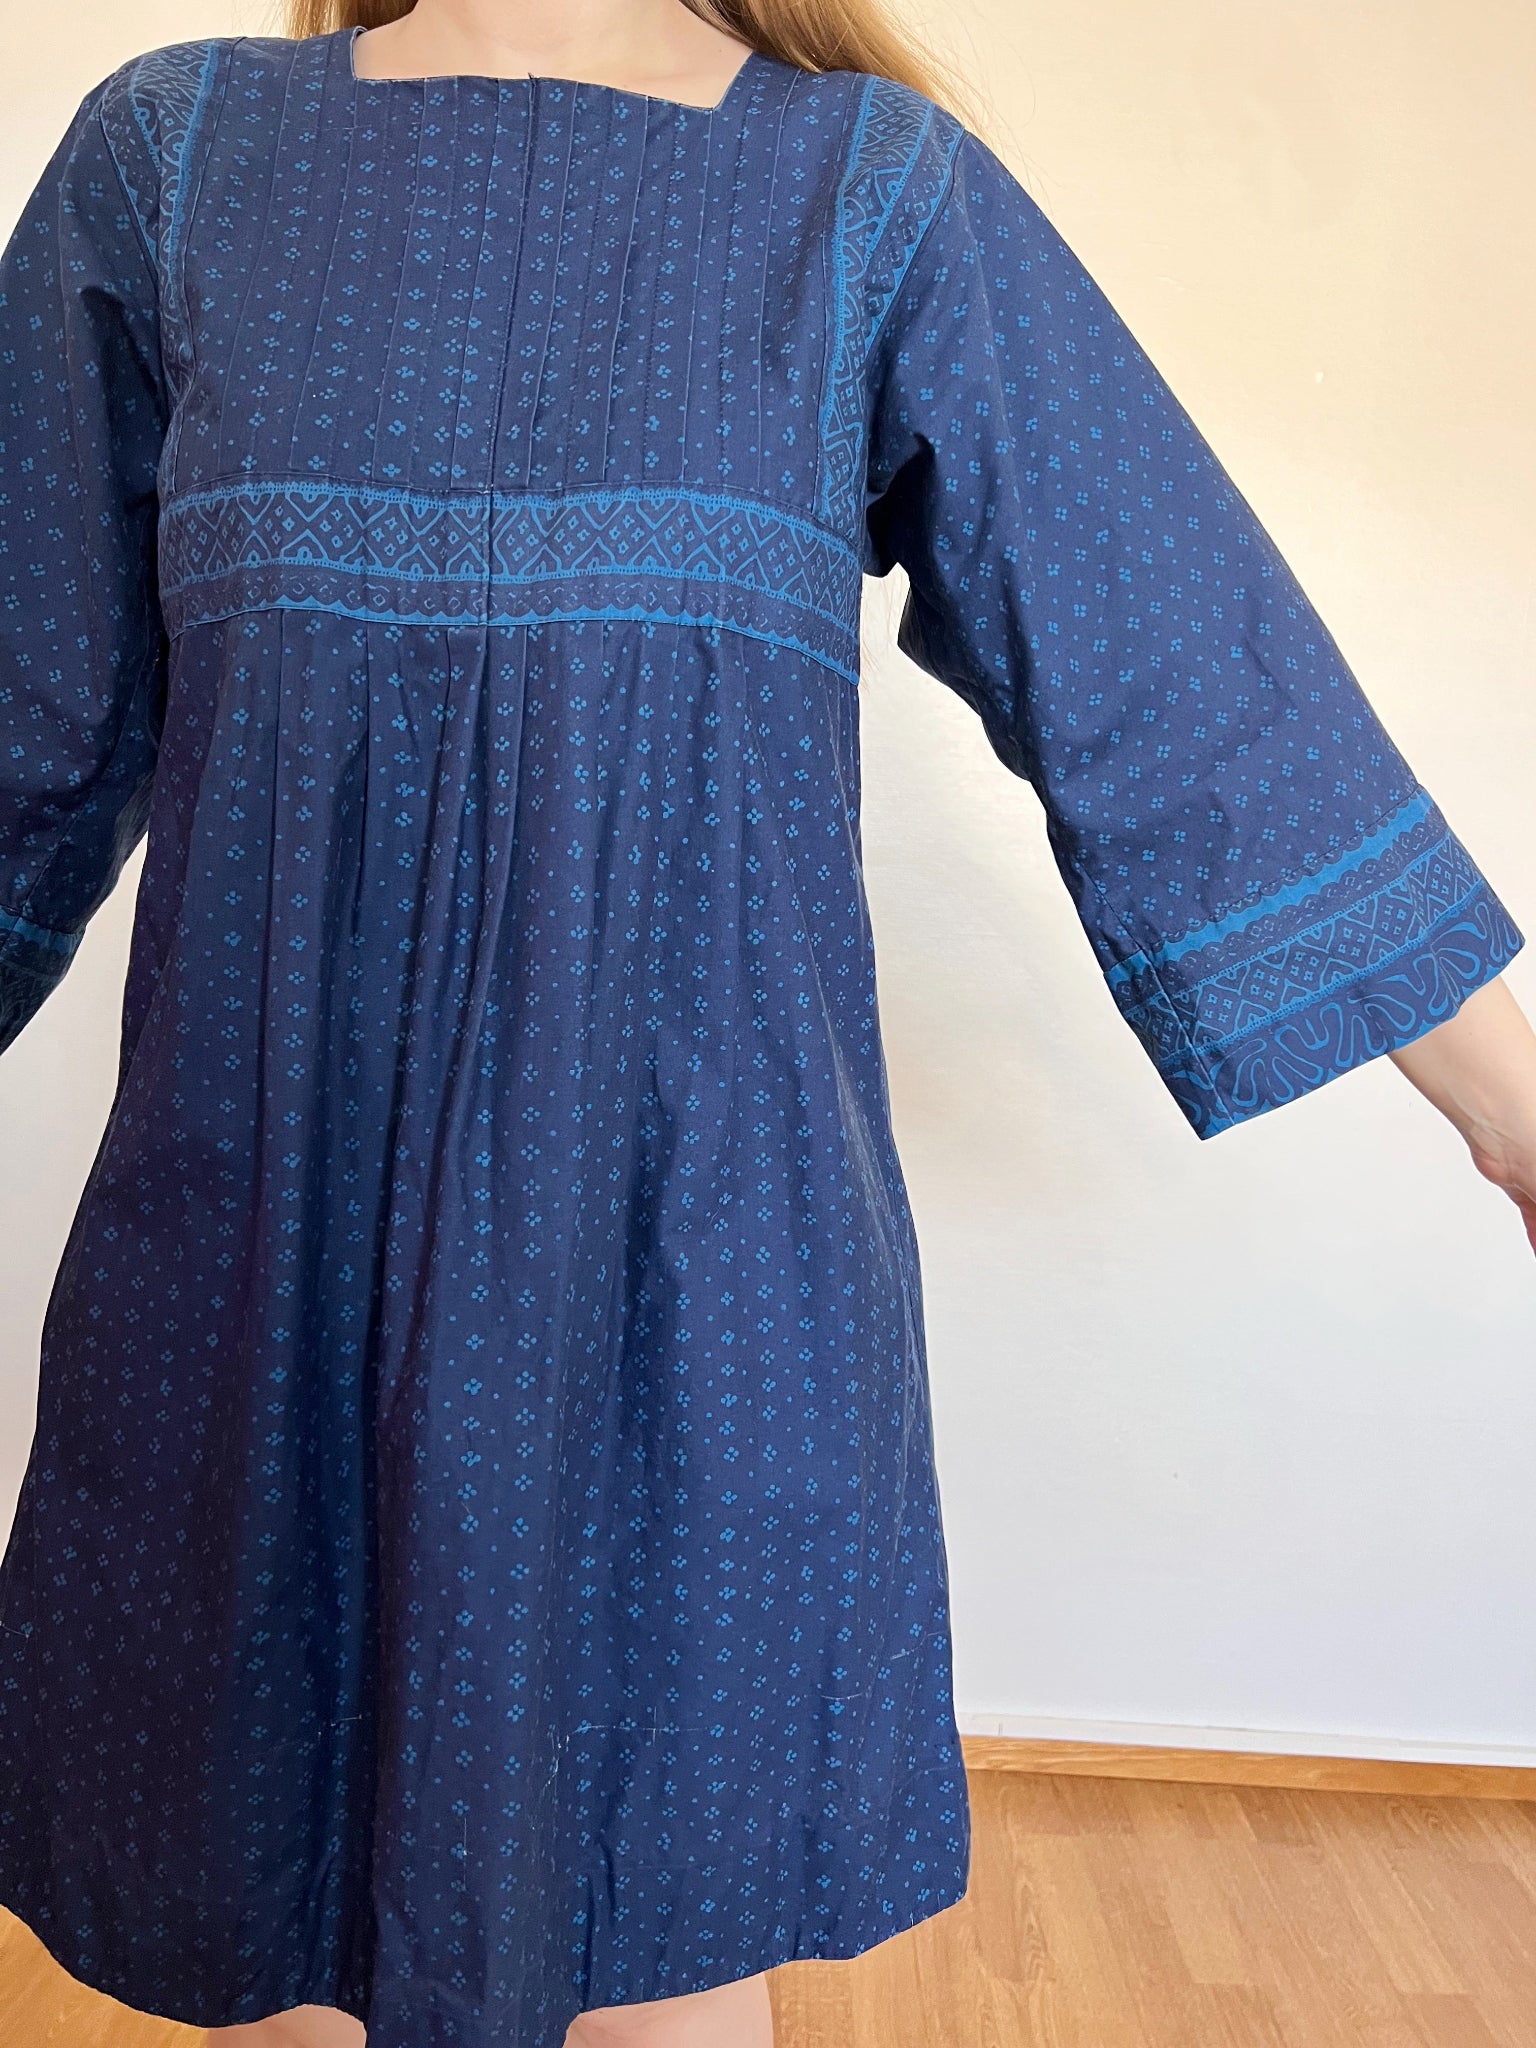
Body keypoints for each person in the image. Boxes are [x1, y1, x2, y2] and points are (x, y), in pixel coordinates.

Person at [0, 3, 1531, 2046]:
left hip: (695, 1284)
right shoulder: (173, 161)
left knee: (668, 1931)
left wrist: (1516, 1107)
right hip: (268, 1272)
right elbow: (19, 701)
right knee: (269, 1915)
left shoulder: (872, 195)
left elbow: (1175, 667)